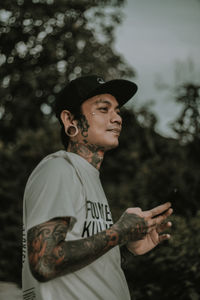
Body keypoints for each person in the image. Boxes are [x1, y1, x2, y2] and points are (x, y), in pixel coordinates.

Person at [22, 75, 173, 300]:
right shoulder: (59, 168)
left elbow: (83, 268)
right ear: (70, 120)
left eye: (118, 111)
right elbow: (44, 262)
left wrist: (125, 243)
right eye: (104, 109)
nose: (117, 119)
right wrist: (118, 232)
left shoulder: (87, 176)